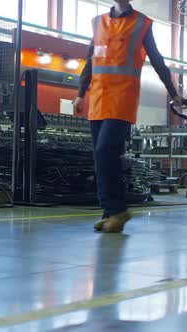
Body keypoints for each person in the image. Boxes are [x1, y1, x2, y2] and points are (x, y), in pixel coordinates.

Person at [74, 0, 181, 233]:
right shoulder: (98, 23)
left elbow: (157, 59)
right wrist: (80, 94)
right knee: (102, 157)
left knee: (105, 152)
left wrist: (174, 93)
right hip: (98, 101)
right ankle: (110, 212)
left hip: (122, 100)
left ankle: (117, 210)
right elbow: (90, 61)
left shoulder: (141, 23)